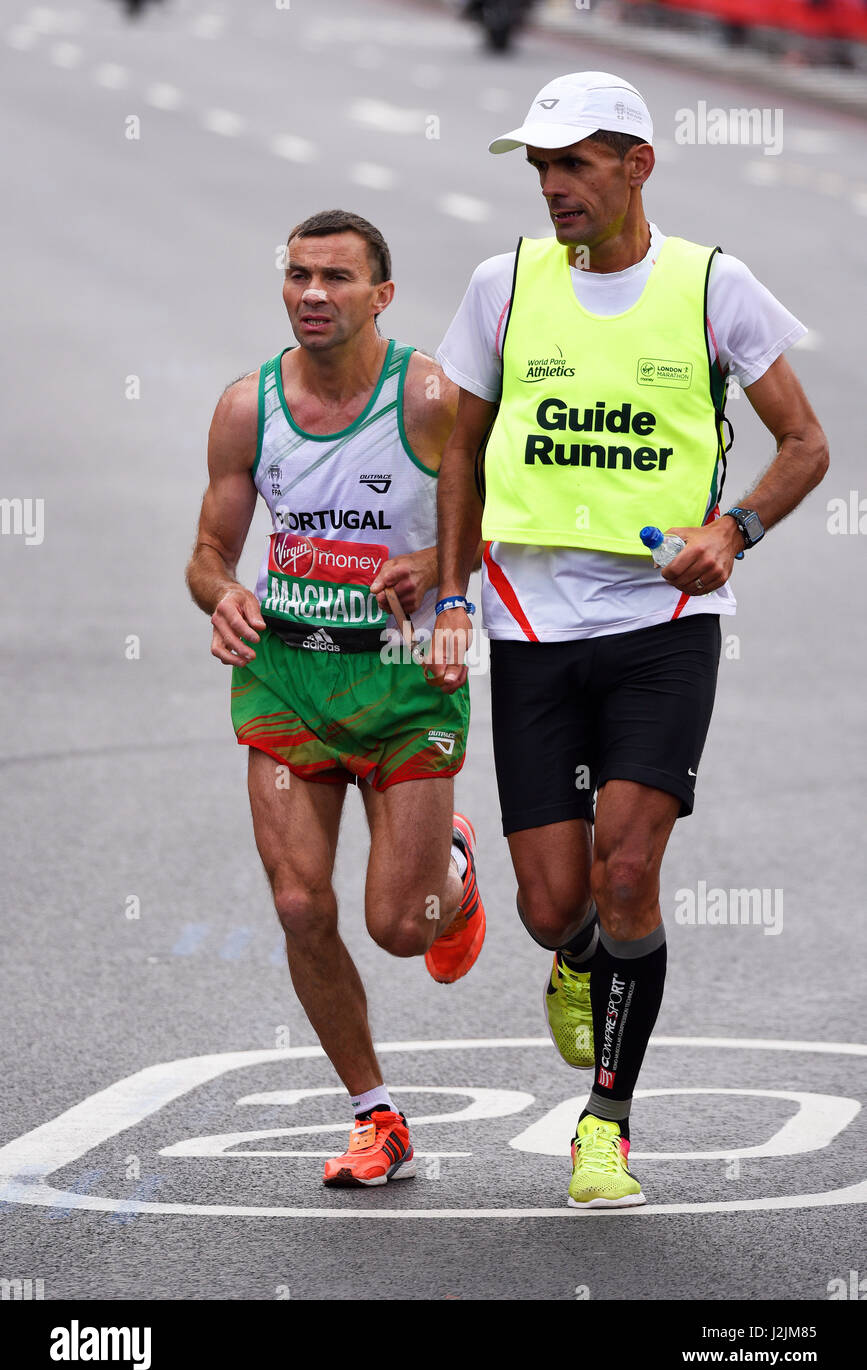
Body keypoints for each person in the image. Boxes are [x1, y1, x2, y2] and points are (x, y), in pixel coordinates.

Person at [428, 73, 828, 1207]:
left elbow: (806, 444)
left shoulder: (714, 285)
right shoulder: (501, 286)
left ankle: (604, 1125)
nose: (554, 188)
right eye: (541, 169)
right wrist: (454, 598)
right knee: (558, 903)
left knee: (630, 872)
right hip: (530, 618)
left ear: (637, 165)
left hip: (665, 624)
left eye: (576, 166)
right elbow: (462, 452)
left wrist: (733, 529)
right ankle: (569, 955)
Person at [186, 209, 485, 1189]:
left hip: (403, 679)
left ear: (382, 296)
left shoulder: (432, 397)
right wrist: (225, 595)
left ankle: (452, 865)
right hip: (289, 676)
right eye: (299, 276)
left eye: (338, 279)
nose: (313, 294)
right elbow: (206, 557)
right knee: (297, 900)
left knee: (403, 925)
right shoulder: (248, 408)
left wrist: (435, 571)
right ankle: (377, 1114)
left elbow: (509, 519)